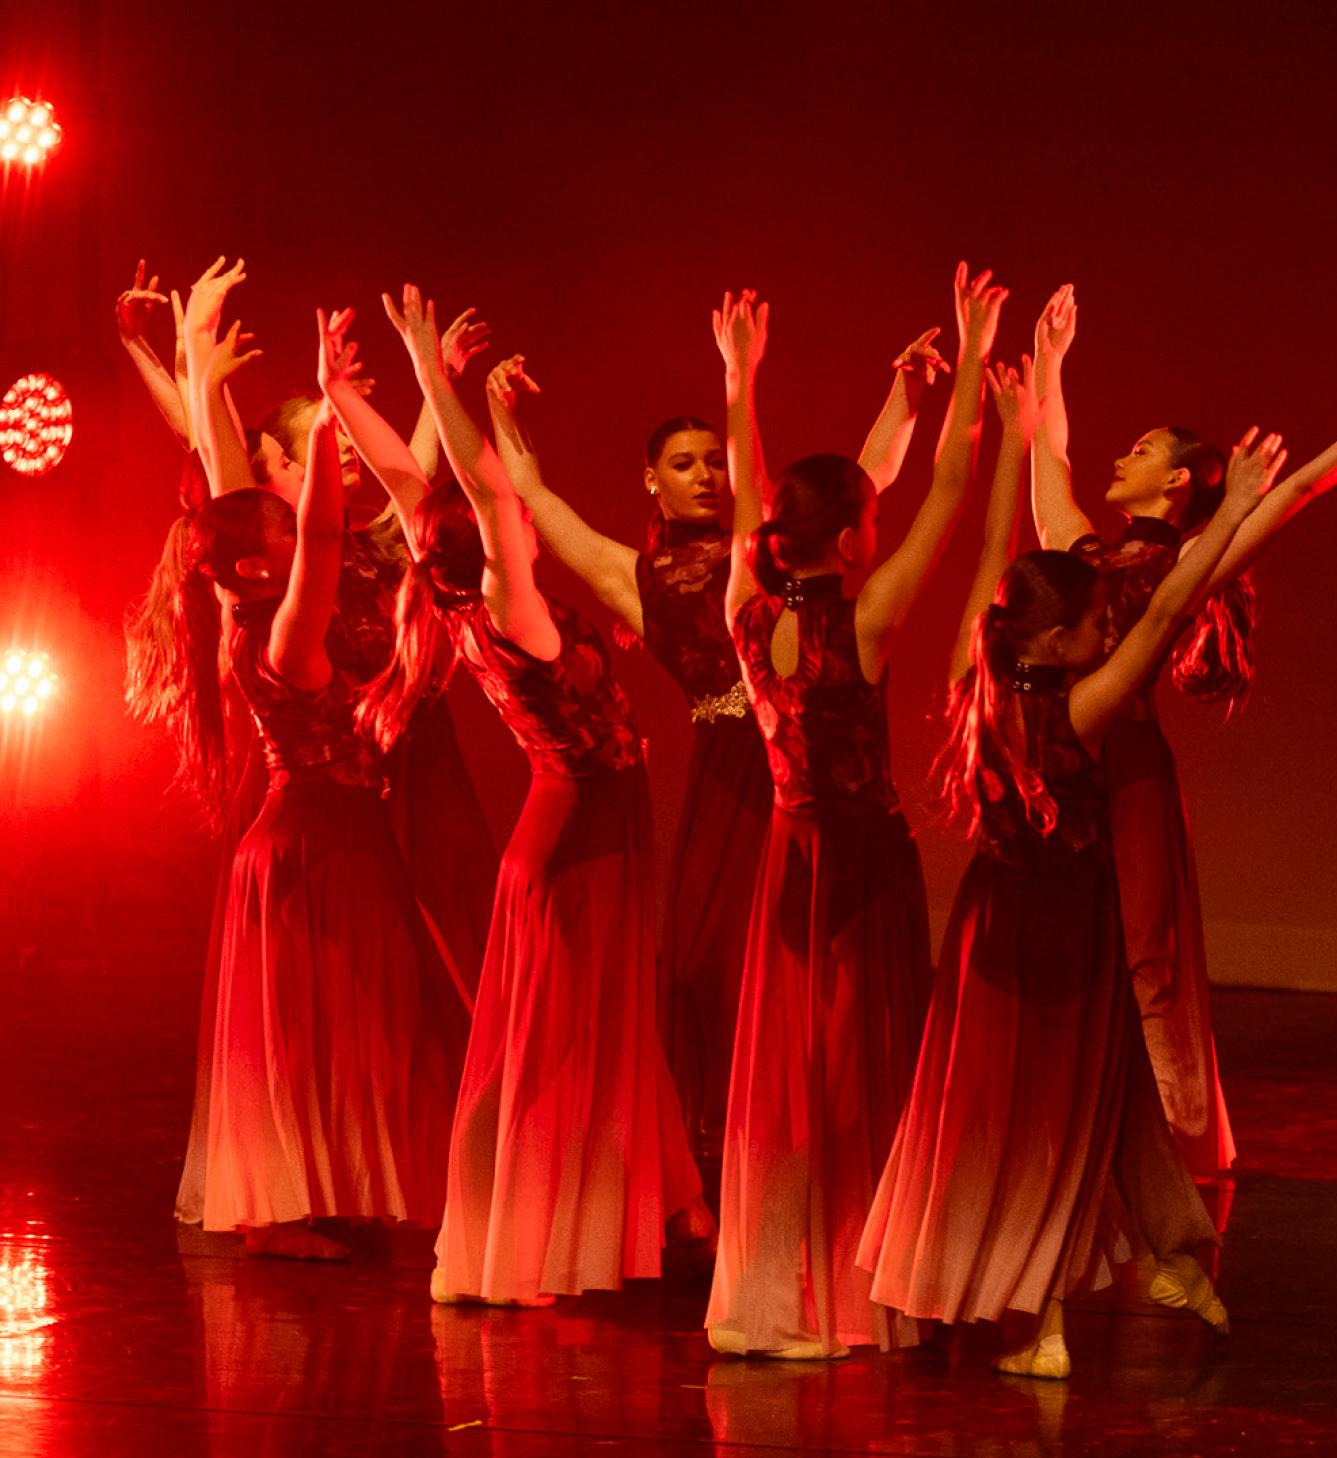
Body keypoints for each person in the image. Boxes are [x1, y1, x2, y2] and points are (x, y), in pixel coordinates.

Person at [860, 422, 1286, 1381]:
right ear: (1057, 641)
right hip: (1065, 933)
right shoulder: (1083, 708)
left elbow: (990, 563)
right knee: (1052, 1120)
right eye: (1096, 627)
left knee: (1071, 1109)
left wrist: (1015, 447)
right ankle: (1039, 1317)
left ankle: (1162, 1260)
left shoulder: (976, 682)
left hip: (992, 924)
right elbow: (1168, 607)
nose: (1108, 637)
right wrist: (1235, 511)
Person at [489, 318, 953, 1174]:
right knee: (710, 968)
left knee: (811, 967)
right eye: (683, 463)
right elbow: (534, 495)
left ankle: (828, 1138)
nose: (705, 474)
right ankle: (720, 1148)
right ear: (651, 480)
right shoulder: (638, 579)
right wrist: (498, 410)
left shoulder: (766, 550)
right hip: (727, 779)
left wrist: (908, 395)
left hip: (801, 769)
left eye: (714, 459)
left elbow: (861, 483)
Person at [1026, 286, 1337, 1174]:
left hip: (1128, 768)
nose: (1120, 455)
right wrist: (1051, 362)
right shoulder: (1083, 557)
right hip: (1060, 760)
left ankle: (1165, 1141)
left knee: (1145, 955)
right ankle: (1072, 1123)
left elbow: (1296, 491)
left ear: (1178, 481)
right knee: (1070, 943)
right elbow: (1046, 454)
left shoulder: (1186, 559)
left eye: (1142, 451)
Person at [351, 286, 707, 1306]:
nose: (514, 506)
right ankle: (541, 1237)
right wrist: (431, 374)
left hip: (573, 828)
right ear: (491, 534)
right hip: (582, 835)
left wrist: (351, 389)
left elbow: (408, 479)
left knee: (599, 1031)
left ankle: (670, 1201)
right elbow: (479, 492)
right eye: (500, 509)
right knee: (563, 1048)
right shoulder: (513, 610)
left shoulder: (458, 596)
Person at [690, 270, 997, 1357]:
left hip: (790, 857)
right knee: (857, 1074)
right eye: (869, 519)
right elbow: (952, 489)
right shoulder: (863, 624)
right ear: (859, 540)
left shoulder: (746, 607)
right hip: (861, 865)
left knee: (792, 1073)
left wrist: (741, 380)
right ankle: (851, 1282)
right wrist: (972, 360)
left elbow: (753, 492)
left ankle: (780, 1282)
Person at [143, 319, 467, 1259]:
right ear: (255, 562)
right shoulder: (277, 629)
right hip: (310, 842)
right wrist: (320, 417)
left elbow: (342, 520)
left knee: (353, 1023)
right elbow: (312, 526)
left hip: (344, 834)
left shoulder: (261, 596)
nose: (303, 531)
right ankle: (275, 1215)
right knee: (302, 1032)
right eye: (281, 528)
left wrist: (205, 360)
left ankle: (336, 1191)